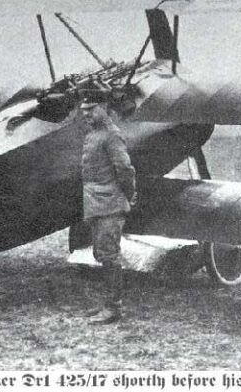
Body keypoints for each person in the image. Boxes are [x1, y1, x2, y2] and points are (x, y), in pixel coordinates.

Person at [80, 90, 136, 325]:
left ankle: (114, 307)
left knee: (109, 255)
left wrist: (129, 195)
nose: (86, 114)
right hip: (96, 203)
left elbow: (125, 169)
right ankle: (108, 302)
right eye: (84, 111)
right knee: (102, 254)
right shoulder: (95, 134)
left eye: (91, 109)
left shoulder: (111, 135)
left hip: (109, 204)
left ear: (104, 107)